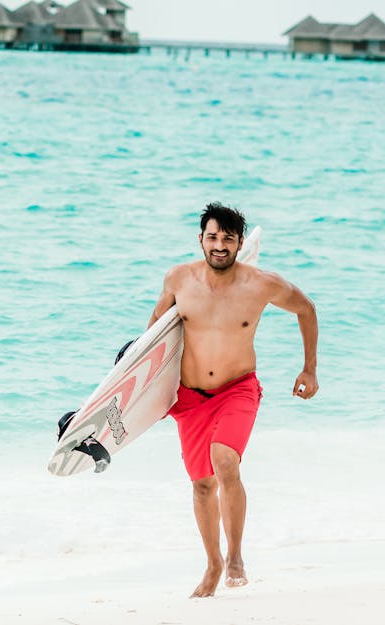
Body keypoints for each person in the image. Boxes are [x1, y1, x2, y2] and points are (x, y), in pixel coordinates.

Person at [148, 202, 319, 598]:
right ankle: (213, 564)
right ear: (200, 240)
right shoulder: (178, 279)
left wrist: (309, 368)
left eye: (228, 238)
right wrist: (149, 393)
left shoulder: (261, 284)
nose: (219, 245)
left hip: (237, 389)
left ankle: (237, 556)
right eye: (212, 237)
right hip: (189, 397)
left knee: (225, 460)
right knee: (202, 485)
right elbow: (154, 331)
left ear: (240, 242)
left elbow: (306, 309)